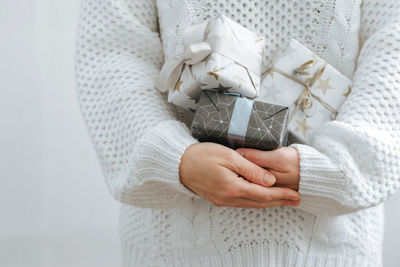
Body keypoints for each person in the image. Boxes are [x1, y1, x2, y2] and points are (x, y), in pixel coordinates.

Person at [75, 0, 400, 266]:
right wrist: (174, 159)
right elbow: (112, 55)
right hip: (176, 247)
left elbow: (392, 46)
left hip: (332, 247)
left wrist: (341, 165)